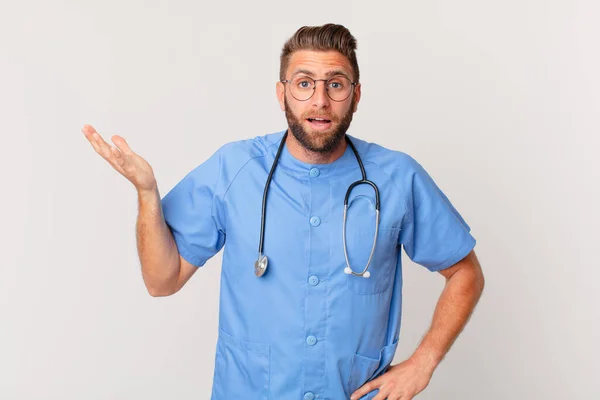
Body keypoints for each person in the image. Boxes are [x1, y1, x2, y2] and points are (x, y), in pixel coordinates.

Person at [82, 23, 484, 400]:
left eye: (336, 85)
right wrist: (147, 193)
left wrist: (423, 363)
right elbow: (162, 281)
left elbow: (464, 271)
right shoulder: (234, 169)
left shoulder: (396, 178)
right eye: (304, 83)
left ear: (356, 96)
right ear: (282, 93)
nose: (320, 100)